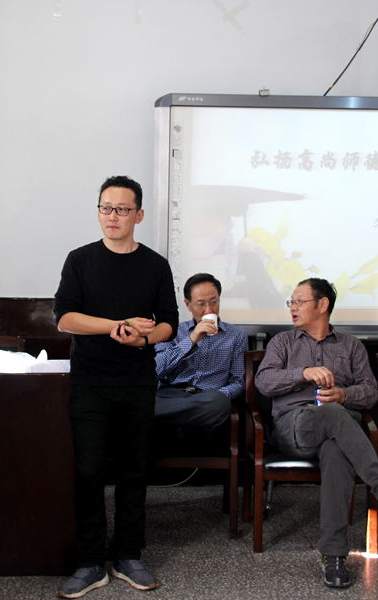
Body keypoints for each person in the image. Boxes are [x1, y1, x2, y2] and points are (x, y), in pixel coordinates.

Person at [54, 175, 179, 598]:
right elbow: (65, 318)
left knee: (133, 470)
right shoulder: (80, 260)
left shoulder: (155, 265)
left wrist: (143, 339)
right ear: (98, 212)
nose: (113, 216)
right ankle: (90, 561)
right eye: (106, 208)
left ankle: (128, 555)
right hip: (90, 382)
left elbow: (169, 324)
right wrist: (115, 326)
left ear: (138, 215)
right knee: (88, 471)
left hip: (137, 381)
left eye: (122, 209)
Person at [255, 278, 378, 589]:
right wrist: (303, 373)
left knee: (336, 449)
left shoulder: (351, 346)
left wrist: (344, 395)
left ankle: (334, 554)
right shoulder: (283, 342)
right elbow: (263, 382)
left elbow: (370, 392)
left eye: (299, 301)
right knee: (332, 415)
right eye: (291, 302)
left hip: (340, 431)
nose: (293, 308)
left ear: (323, 305)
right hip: (294, 427)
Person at [153, 272, 248, 453]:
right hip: (171, 397)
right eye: (201, 304)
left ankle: (174, 424)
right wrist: (192, 339)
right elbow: (156, 370)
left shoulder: (236, 335)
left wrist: (218, 396)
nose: (208, 310)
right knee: (142, 400)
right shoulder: (172, 331)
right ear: (188, 304)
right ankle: (183, 426)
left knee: (219, 403)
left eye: (214, 302)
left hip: (208, 399)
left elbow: (238, 382)